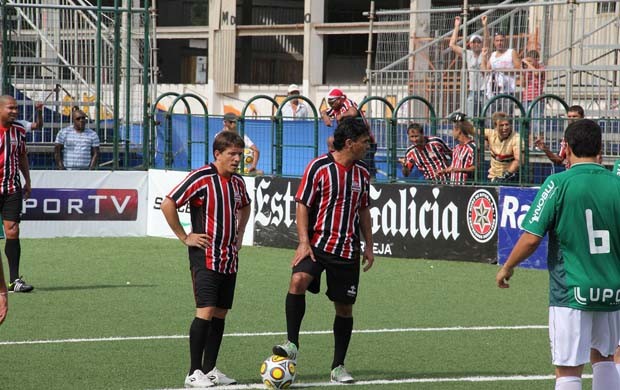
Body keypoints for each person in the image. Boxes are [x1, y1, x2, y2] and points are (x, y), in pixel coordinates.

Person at [496, 119, 620, 390]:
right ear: (600, 147)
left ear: (567, 146)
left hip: (570, 292)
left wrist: (507, 266)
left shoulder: (557, 184)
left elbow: (531, 238)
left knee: (567, 370)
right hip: (611, 290)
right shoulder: (617, 184)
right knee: (606, 358)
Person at [272, 118, 374, 384]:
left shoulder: (362, 173)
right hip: (317, 245)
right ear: (350, 143)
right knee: (298, 280)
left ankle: (338, 366)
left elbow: (364, 209)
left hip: (347, 249)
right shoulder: (318, 167)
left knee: (344, 308)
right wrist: (303, 241)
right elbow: (303, 204)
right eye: (364, 141)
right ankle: (292, 344)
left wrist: (370, 245)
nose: (368, 146)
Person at [161, 131, 251, 388]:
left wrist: (240, 232)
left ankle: (210, 369)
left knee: (221, 313)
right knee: (206, 311)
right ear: (217, 154)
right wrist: (184, 236)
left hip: (229, 257)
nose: (236, 159)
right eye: (232, 154)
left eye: (239, 154)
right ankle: (193, 371)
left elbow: (245, 205)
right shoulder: (201, 177)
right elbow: (168, 203)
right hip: (206, 257)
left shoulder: (237, 183)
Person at [0, 95, 33, 293]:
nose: (15, 111)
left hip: (12, 188)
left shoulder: (19, 131)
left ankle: (14, 281)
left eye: (16, 108)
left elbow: (21, 156)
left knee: (12, 230)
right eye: (11, 108)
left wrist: (27, 181)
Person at [321, 88, 377, 178]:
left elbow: (353, 112)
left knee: (366, 165)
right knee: (331, 141)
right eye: (329, 102)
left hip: (364, 139)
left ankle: (372, 183)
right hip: (349, 141)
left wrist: (342, 115)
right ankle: (334, 166)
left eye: (332, 102)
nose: (330, 105)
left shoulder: (347, 103)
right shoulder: (335, 108)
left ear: (339, 100)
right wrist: (325, 117)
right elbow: (324, 111)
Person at [449, 15, 489, 118]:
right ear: (470, 44)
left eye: (478, 42)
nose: (476, 44)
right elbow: (452, 45)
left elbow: (487, 41)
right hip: (472, 91)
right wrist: (457, 26)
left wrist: (485, 26)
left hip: (484, 91)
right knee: (471, 118)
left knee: (486, 118)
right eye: (473, 42)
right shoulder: (468, 54)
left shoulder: (484, 53)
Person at [482, 31, 521, 115]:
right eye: (497, 40)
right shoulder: (492, 55)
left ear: (505, 41)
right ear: (494, 42)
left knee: (505, 118)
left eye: (501, 40)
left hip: (507, 91)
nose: (499, 43)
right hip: (493, 91)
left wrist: (501, 70)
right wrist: (483, 57)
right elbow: (485, 72)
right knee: (491, 118)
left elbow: (519, 69)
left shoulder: (511, 52)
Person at [438, 113, 476, 184]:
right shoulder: (456, 148)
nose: (452, 132)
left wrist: (458, 170)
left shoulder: (472, 147)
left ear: (458, 131)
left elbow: (475, 168)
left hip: (466, 186)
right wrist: (444, 171)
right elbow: (453, 166)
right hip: (453, 185)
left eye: (453, 130)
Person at [484, 111, 520, 182]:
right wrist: (462, 121)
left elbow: (518, 160)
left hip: (509, 178)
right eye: (501, 125)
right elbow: (472, 130)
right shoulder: (491, 133)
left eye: (507, 125)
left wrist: (506, 175)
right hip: (492, 177)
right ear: (495, 126)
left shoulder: (516, 138)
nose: (505, 128)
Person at [521, 50, 546, 138]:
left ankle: (539, 140)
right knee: (527, 120)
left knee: (537, 121)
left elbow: (537, 73)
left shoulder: (541, 67)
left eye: (530, 61)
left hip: (537, 98)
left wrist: (528, 63)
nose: (528, 63)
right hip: (526, 98)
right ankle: (529, 141)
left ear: (536, 59)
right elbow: (523, 84)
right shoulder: (527, 70)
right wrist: (523, 73)